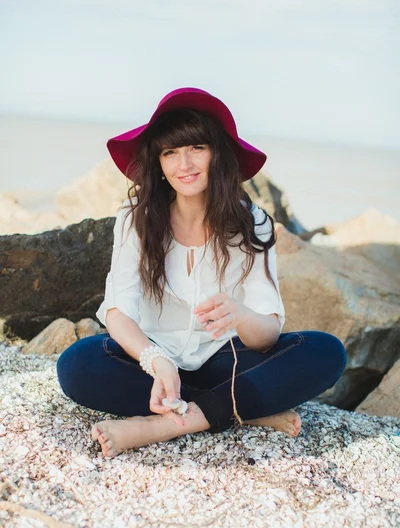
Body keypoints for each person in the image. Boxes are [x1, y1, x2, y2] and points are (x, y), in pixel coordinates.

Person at [56, 87, 347, 458]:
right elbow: (118, 313)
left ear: (218, 154)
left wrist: (239, 314)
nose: (184, 164)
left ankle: (170, 422)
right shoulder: (135, 219)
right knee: (77, 365)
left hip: (226, 361)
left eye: (197, 148)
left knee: (325, 352)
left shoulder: (253, 224)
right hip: (153, 365)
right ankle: (244, 411)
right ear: (158, 163)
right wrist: (156, 360)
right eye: (170, 152)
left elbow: (267, 335)